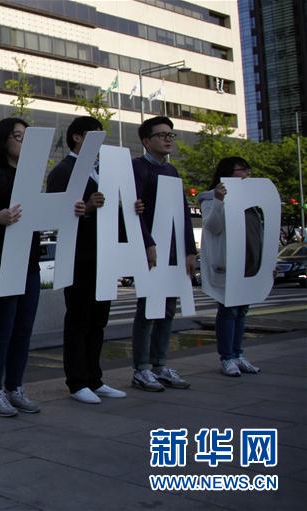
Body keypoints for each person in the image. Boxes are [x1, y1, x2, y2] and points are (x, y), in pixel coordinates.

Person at [46, 116, 132, 404]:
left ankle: (95, 379)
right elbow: (57, 216)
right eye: (94, 134)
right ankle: (77, 381)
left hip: (103, 255)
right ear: (77, 138)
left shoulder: (102, 171)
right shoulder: (63, 171)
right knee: (79, 319)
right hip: (79, 257)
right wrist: (88, 209)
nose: (100, 140)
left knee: (99, 320)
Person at [0, 118, 43, 416]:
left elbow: (38, 214)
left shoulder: (31, 176)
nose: (23, 142)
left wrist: (74, 209)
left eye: (27, 137)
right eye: (17, 136)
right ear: (3, 140)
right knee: (2, 329)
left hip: (28, 261)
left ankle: (15, 387)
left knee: (23, 329)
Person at [130, 116, 197, 392]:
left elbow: (182, 212)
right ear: (146, 141)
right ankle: (141, 368)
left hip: (173, 250)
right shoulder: (137, 168)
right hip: (151, 249)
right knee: (148, 309)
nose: (168, 139)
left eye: (171, 134)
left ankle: (160, 364)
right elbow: (134, 211)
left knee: (168, 309)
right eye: (161, 135)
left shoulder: (172, 172)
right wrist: (146, 242)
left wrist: (190, 250)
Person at [198, 157, 262, 377]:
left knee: (241, 310)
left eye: (248, 170)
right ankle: (227, 357)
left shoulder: (251, 201)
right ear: (227, 173)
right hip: (227, 263)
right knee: (228, 310)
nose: (246, 174)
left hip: (249, 262)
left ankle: (237, 354)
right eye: (241, 170)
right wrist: (218, 200)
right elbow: (213, 226)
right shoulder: (210, 197)